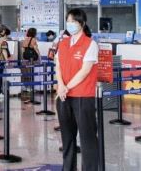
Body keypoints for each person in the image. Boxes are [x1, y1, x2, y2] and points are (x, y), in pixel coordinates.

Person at [56, 9, 99, 171]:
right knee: (67, 138)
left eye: (73, 21)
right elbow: (58, 66)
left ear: (82, 23)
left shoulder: (90, 44)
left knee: (87, 138)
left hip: (82, 96)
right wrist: (61, 85)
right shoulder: (63, 43)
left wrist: (67, 87)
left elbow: (85, 71)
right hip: (63, 96)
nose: (70, 24)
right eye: (68, 21)